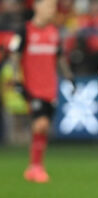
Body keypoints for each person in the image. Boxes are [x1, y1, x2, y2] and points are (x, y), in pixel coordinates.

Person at [8, 0, 74, 183]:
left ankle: (35, 166)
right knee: (41, 124)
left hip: (49, 88)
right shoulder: (24, 31)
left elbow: (60, 57)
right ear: (37, 7)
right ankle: (35, 167)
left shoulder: (54, 32)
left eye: (52, 7)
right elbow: (15, 56)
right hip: (32, 87)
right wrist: (15, 79)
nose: (51, 11)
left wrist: (69, 77)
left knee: (43, 129)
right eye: (48, 6)